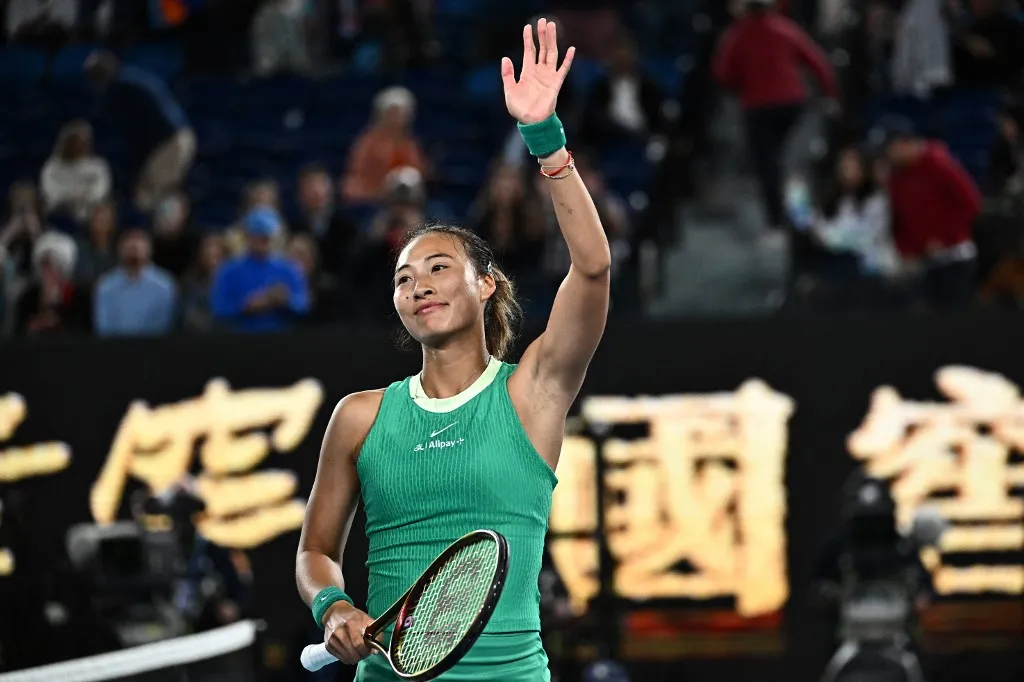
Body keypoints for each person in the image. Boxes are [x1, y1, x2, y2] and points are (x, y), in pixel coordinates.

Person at [296, 19, 609, 682]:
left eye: (438, 267)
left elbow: (592, 269)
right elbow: (317, 551)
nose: (418, 285)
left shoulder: (533, 392)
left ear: (486, 284)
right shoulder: (360, 416)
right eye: (403, 277)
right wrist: (333, 607)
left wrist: (545, 141)